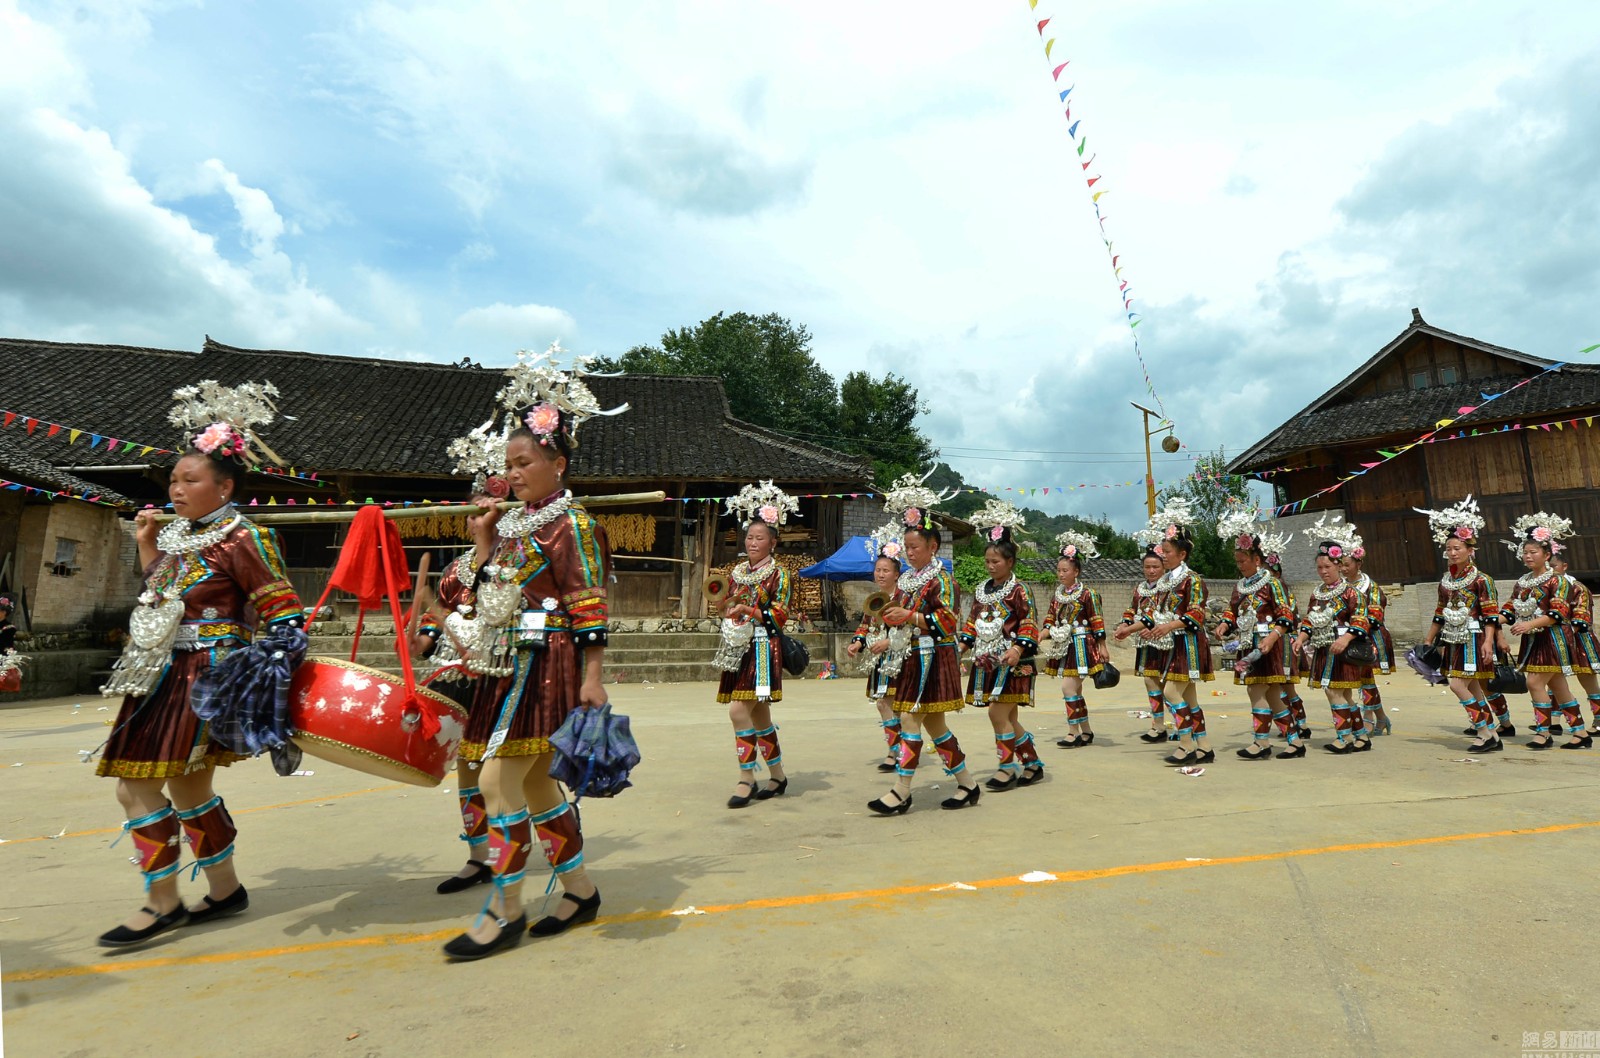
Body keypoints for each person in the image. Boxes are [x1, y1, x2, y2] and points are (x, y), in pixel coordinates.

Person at [95, 381, 306, 948]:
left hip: (204, 677)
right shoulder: (180, 539)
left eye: (190, 480)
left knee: (133, 789)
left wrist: (268, 679)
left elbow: (284, 615)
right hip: (161, 671)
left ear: (225, 486)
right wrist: (149, 547)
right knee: (188, 790)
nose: (176, 489)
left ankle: (161, 902)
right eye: (173, 480)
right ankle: (225, 890)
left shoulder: (244, 538)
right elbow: (166, 599)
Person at [436, 347, 621, 960]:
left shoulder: (575, 525)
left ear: (557, 464)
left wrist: (593, 676)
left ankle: (504, 909)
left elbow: (587, 601)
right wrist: (485, 544)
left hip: (549, 667)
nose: (512, 474)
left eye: (523, 462)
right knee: (538, 787)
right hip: (503, 667)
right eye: (507, 464)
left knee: (496, 780)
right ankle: (582, 891)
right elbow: (468, 594)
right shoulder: (511, 525)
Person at [867, 473, 980, 814]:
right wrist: (888, 627)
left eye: (915, 547)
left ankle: (901, 790)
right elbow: (896, 614)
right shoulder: (906, 581)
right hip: (911, 659)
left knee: (910, 721)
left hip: (932, 659)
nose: (910, 552)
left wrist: (910, 618)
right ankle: (968, 784)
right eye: (907, 547)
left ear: (933, 547)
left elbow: (947, 623)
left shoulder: (942, 580)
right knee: (935, 726)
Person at [714, 480, 798, 808]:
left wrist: (750, 610)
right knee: (759, 715)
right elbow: (727, 604)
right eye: (749, 537)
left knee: (739, 711)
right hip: (738, 646)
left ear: (773, 543)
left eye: (759, 537)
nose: (752, 542)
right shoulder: (736, 573)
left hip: (762, 649)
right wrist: (726, 607)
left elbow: (780, 615)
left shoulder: (780, 575)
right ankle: (777, 775)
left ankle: (746, 778)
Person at [961, 501, 1043, 789]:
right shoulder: (982, 589)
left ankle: (1006, 769)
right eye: (988, 561)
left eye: (996, 562)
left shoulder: (1020, 590)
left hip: (1013, 663)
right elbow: (972, 621)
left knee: (997, 713)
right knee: (1008, 717)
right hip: (988, 662)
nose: (991, 566)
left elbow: (1029, 622)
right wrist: (962, 645)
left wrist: (1018, 649)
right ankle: (1032, 763)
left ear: (1010, 563)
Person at [1415, 497, 1503, 752]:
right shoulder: (1445, 581)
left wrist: (1489, 640)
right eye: (1449, 549)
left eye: (1457, 548)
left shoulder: (1482, 580)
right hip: (1452, 639)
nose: (1452, 553)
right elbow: (1440, 612)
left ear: (1470, 550)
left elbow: (1490, 614)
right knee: (1472, 687)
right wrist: (1430, 639)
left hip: (1474, 639)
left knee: (1457, 685)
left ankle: (1485, 732)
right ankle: (1492, 735)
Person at [1213, 512, 1298, 759]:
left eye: (1243, 561)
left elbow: (1285, 615)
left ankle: (1261, 743)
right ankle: (1294, 741)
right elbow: (1232, 611)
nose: (1239, 566)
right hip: (1249, 642)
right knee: (1271, 694)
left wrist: (1272, 638)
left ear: (1257, 559)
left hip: (1267, 644)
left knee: (1256, 691)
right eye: (1237, 562)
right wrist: (1225, 625)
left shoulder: (1272, 583)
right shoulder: (1240, 586)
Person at [1138, 499, 1216, 765]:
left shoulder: (1192, 579)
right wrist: (1136, 628)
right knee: (1188, 697)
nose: (1163, 554)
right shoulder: (1165, 582)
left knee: (1171, 693)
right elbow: (1156, 613)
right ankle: (1204, 746)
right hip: (1172, 645)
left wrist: (1168, 626)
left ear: (1182, 554)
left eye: (1167, 550)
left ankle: (1186, 746)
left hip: (1188, 645)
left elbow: (1196, 614)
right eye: (1162, 549)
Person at [1503, 514, 1591, 749]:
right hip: (1533, 639)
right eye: (1525, 552)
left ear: (1547, 554)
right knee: (1559, 686)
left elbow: (1558, 613)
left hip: (1553, 638)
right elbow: (1510, 608)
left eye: (1534, 552)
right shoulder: (1522, 582)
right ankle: (1580, 732)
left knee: (1534, 683)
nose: (1528, 556)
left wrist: (1528, 625)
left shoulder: (1558, 581)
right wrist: (1490, 621)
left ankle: (1543, 733)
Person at [1295, 517, 1373, 753]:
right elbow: (1309, 619)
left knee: (1334, 691)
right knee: (1345, 695)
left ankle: (1343, 738)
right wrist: (1301, 638)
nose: (1323, 572)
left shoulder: (1352, 593)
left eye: (1327, 567)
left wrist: (1345, 639)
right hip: (1324, 648)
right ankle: (1360, 737)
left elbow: (1361, 621)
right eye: (1319, 568)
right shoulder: (1317, 593)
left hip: (1343, 651)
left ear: (1339, 565)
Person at [847, 530, 911, 772]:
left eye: (886, 571)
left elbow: (909, 629)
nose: (880, 574)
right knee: (884, 704)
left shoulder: (905, 598)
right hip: (879, 660)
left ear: (897, 574)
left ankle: (901, 751)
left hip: (899, 659)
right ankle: (895, 750)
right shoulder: (874, 598)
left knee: (894, 704)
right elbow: (866, 625)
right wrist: (858, 642)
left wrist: (889, 642)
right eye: (878, 570)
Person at [1040, 529, 1106, 752]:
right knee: (1075, 691)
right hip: (1065, 647)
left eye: (1065, 570)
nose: (1060, 574)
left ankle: (1073, 732)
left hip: (1082, 646)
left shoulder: (1088, 594)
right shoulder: (1057, 595)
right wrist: (1041, 634)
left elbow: (1097, 621)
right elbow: (1050, 619)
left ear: (1076, 571)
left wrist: (1102, 646)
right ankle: (1085, 730)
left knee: (1068, 688)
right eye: (1058, 570)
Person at [1338, 533, 1394, 736]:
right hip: (1349, 638)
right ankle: (1381, 718)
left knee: (1366, 677)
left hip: (1370, 637)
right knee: (1362, 679)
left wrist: (1357, 629)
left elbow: (1375, 615)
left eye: (1346, 564)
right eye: (1340, 565)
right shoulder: (1340, 588)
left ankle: (1369, 718)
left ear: (1358, 563)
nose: (1343, 569)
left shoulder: (1372, 587)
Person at [1114, 544, 1169, 742]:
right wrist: (1125, 623)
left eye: (1155, 566)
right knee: (1150, 681)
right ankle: (1158, 725)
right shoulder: (1140, 588)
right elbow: (1132, 610)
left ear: (1164, 567)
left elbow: (1159, 614)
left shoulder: (1169, 587)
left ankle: (1183, 725)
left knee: (1171, 687)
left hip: (1167, 642)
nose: (1151, 571)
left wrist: (1140, 627)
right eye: (1147, 567)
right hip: (1147, 643)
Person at [1553, 550, 1600, 734]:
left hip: (1579, 639)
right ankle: (1554, 721)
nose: (1551, 570)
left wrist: (1566, 634)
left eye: (1554, 566)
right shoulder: (1549, 586)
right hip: (1557, 639)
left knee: (1588, 681)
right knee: (1554, 680)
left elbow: (1581, 617)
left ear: (1564, 566)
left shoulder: (1578, 587)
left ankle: (1598, 720)